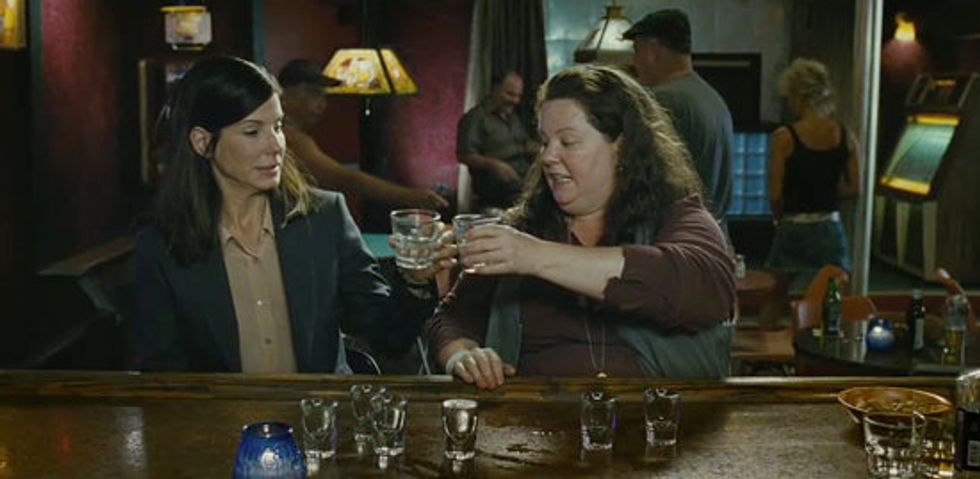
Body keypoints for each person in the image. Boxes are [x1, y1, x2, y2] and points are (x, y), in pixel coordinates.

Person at [426, 65, 736, 390]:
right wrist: (461, 354)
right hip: (534, 416)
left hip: (660, 414)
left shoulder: (677, 214)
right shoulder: (520, 230)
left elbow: (705, 288)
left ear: (621, 147)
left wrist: (535, 257)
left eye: (568, 142)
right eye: (545, 142)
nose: (547, 156)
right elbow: (449, 318)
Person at [131, 56, 433, 373]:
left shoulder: (325, 218)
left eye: (277, 127)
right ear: (203, 142)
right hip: (219, 407)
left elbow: (389, 337)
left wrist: (415, 282)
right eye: (252, 132)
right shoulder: (160, 245)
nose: (275, 146)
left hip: (318, 405)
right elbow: (164, 372)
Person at [277, 59, 448, 212]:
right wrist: (410, 196)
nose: (322, 104)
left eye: (323, 96)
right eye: (313, 93)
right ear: (284, 96)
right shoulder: (289, 137)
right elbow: (340, 178)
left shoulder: (295, 135)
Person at [623, 8, 734, 227]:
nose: (634, 61)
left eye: (636, 51)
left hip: (679, 233)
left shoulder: (665, 100)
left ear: (653, 49)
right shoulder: (711, 97)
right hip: (711, 232)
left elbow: (647, 178)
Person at [766, 58, 860, 274]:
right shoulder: (845, 135)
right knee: (833, 289)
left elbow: (776, 195)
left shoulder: (784, 137)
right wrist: (827, 192)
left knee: (779, 289)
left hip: (793, 226)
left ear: (799, 96)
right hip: (830, 227)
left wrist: (779, 219)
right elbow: (856, 188)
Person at [456, 70, 538, 210]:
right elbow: (464, 155)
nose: (516, 101)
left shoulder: (512, 116)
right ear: (495, 89)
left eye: (518, 96)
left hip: (522, 178)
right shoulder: (475, 118)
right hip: (497, 187)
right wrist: (495, 165)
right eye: (510, 94)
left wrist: (538, 148)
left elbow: (523, 143)